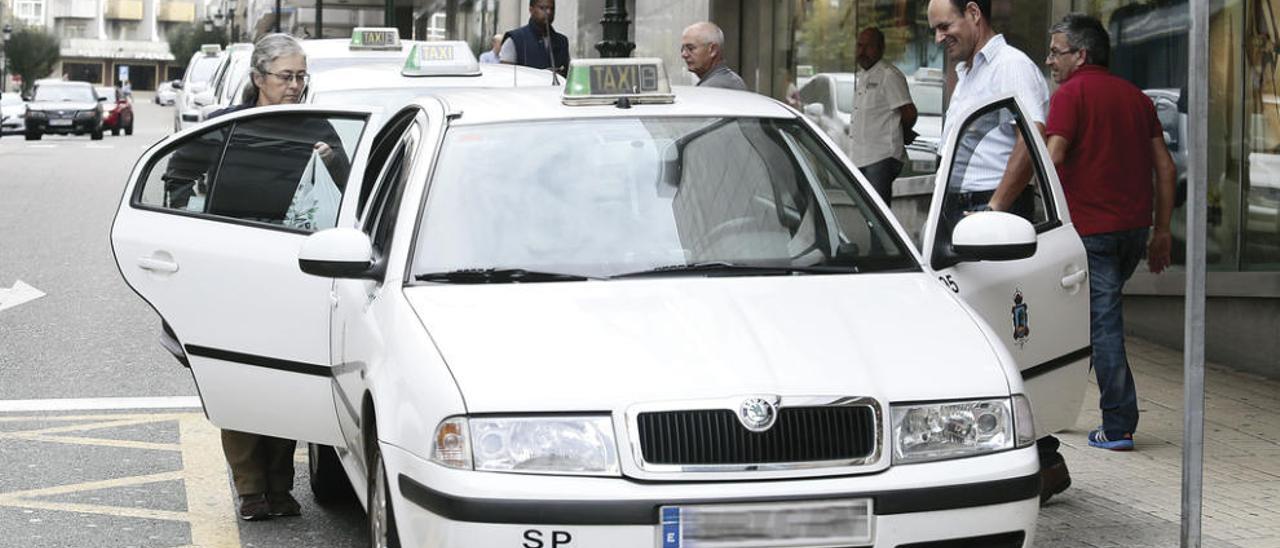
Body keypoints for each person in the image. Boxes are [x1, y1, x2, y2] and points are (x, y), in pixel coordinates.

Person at [926, 0, 1068, 504]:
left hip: (992, 216)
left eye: (945, 27)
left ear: (973, 13)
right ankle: (1031, 457)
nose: (940, 37)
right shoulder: (966, 74)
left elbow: (1029, 144)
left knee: (997, 338)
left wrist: (993, 208)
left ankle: (1042, 458)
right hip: (964, 212)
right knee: (971, 337)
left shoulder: (1011, 68)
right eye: (935, 30)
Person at [203, 32, 348, 521]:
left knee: (284, 382)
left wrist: (333, 160)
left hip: (294, 275)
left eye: (301, 76)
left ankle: (281, 487)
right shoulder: (226, 126)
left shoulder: (315, 125)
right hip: (234, 275)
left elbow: (351, 189)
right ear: (258, 78)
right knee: (241, 380)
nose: (294, 85)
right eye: (286, 76)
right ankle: (250, 490)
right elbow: (179, 179)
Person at [1043, 13, 1175, 452]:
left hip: (1090, 234)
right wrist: (1162, 231)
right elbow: (1165, 167)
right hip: (1132, 232)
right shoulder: (1137, 98)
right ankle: (1058, 406)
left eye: (1057, 52)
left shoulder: (1070, 96)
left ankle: (1118, 423)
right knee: (1085, 320)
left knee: (1101, 325)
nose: (1050, 61)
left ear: (1081, 55)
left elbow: (1053, 158)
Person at [848, 27, 917, 204]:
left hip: (881, 157)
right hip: (860, 156)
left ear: (880, 48)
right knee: (867, 213)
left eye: (868, 46)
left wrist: (901, 132)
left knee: (878, 213)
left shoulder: (888, 75)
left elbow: (909, 113)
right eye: (859, 46)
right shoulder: (863, 76)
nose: (862, 51)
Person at [500, 0, 569, 76]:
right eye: (543, 8)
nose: (549, 12)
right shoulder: (514, 39)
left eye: (552, 8)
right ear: (531, 10)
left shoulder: (562, 41)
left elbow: (568, 75)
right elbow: (506, 76)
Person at [681, 22, 747, 91]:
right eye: (683, 49)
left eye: (690, 48)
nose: (684, 54)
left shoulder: (713, 88)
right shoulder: (729, 80)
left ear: (713, 50)